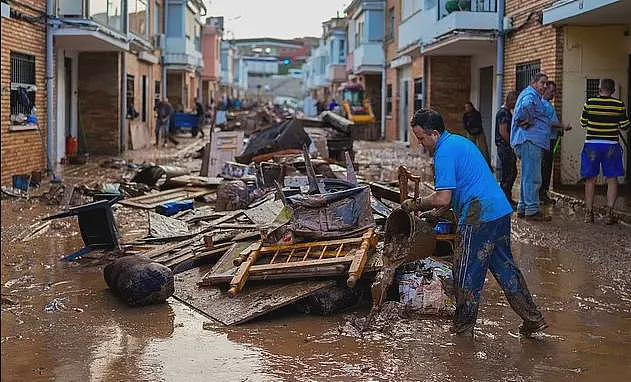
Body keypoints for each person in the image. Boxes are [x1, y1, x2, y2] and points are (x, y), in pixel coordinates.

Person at [402, 108, 547, 337]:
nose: (421, 144)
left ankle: (462, 330)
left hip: (478, 214)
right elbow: (452, 198)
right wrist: (434, 215)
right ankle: (533, 319)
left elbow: (443, 197)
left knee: (466, 271)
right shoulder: (459, 143)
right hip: (498, 210)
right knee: (505, 268)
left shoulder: (444, 153)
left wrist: (416, 204)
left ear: (435, 134)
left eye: (421, 138)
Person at [580, 78, 630, 224]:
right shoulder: (619, 105)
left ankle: (589, 213)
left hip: (592, 146)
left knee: (590, 179)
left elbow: (583, 123)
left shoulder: (589, 103)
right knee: (612, 178)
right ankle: (609, 213)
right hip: (611, 146)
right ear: (613, 90)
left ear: (599, 89)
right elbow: (625, 126)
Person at [511, 72, 551, 221]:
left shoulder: (531, 95)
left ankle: (523, 207)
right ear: (534, 83)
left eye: (546, 84)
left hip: (528, 141)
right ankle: (532, 209)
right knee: (533, 177)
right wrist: (527, 120)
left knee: (527, 176)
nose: (545, 86)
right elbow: (526, 107)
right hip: (530, 141)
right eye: (542, 83)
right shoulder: (530, 96)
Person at [540, 81, 572, 204]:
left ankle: (543, 193)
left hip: (551, 139)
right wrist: (563, 126)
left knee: (547, 168)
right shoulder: (543, 105)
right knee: (545, 168)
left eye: (554, 91)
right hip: (546, 141)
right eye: (552, 91)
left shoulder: (547, 104)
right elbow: (549, 122)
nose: (554, 94)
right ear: (545, 90)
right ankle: (542, 194)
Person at [495, 91, 518, 206]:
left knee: (510, 172)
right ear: (511, 101)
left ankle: (506, 198)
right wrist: (512, 144)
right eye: (515, 102)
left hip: (504, 147)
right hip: (505, 147)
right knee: (509, 173)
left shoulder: (506, 112)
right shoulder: (504, 113)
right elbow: (503, 131)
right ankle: (505, 200)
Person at [463, 102, 491, 166]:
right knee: (470, 148)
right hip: (470, 132)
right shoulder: (465, 116)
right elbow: (465, 125)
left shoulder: (477, 114)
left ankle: (487, 164)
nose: (467, 109)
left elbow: (478, 123)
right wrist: (470, 130)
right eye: (466, 107)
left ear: (471, 107)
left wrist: (474, 128)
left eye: (468, 107)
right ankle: (472, 163)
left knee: (483, 148)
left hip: (479, 132)